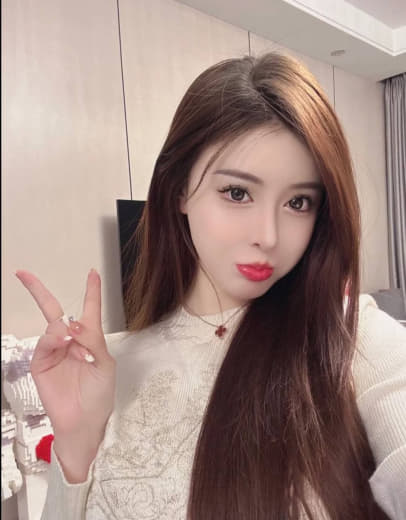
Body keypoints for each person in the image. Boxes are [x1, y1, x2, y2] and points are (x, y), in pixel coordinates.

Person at [15, 52, 406, 520]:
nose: (268, 235)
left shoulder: (350, 336)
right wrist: (75, 443)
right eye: (237, 193)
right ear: (180, 189)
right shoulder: (111, 367)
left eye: (298, 202)